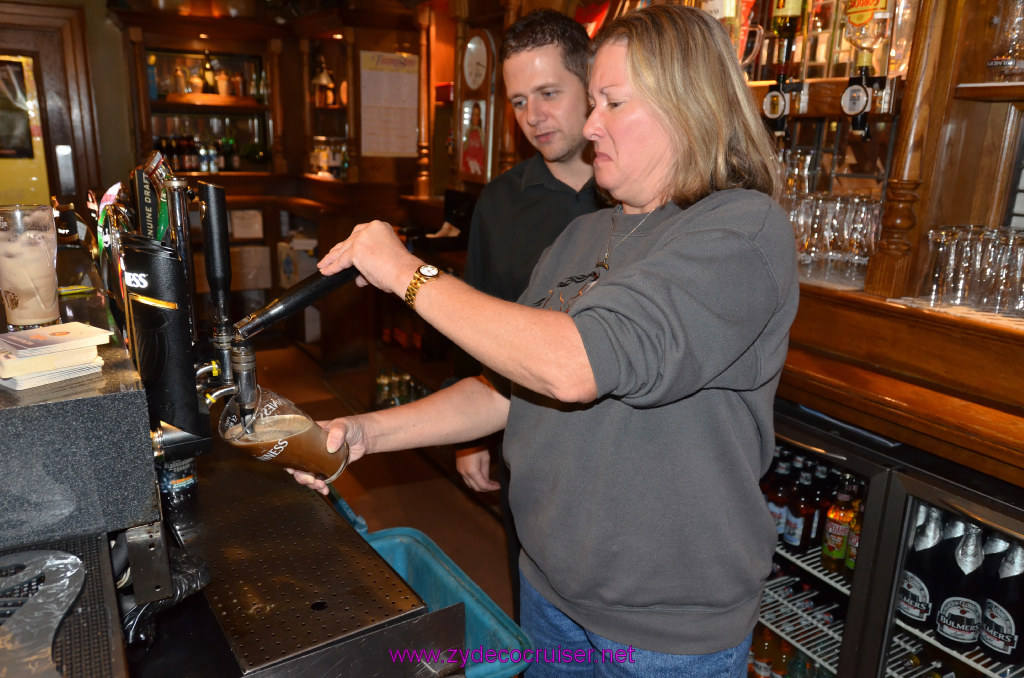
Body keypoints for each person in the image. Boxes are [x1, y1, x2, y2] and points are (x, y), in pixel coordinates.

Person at [294, 5, 798, 676]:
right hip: (549, 587)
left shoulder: (742, 231)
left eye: (613, 103)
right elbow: (507, 388)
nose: (591, 127)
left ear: (690, 105)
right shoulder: (583, 236)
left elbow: (571, 366)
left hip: (662, 630)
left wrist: (403, 272)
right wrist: (363, 433)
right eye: (592, 103)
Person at [453, 8, 602, 622]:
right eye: (519, 102)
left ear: (591, 85)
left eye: (548, 93)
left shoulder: (642, 191)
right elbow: (475, 319)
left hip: (619, 455)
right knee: (539, 616)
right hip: (530, 448)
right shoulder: (498, 202)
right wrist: (470, 434)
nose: (533, 117)